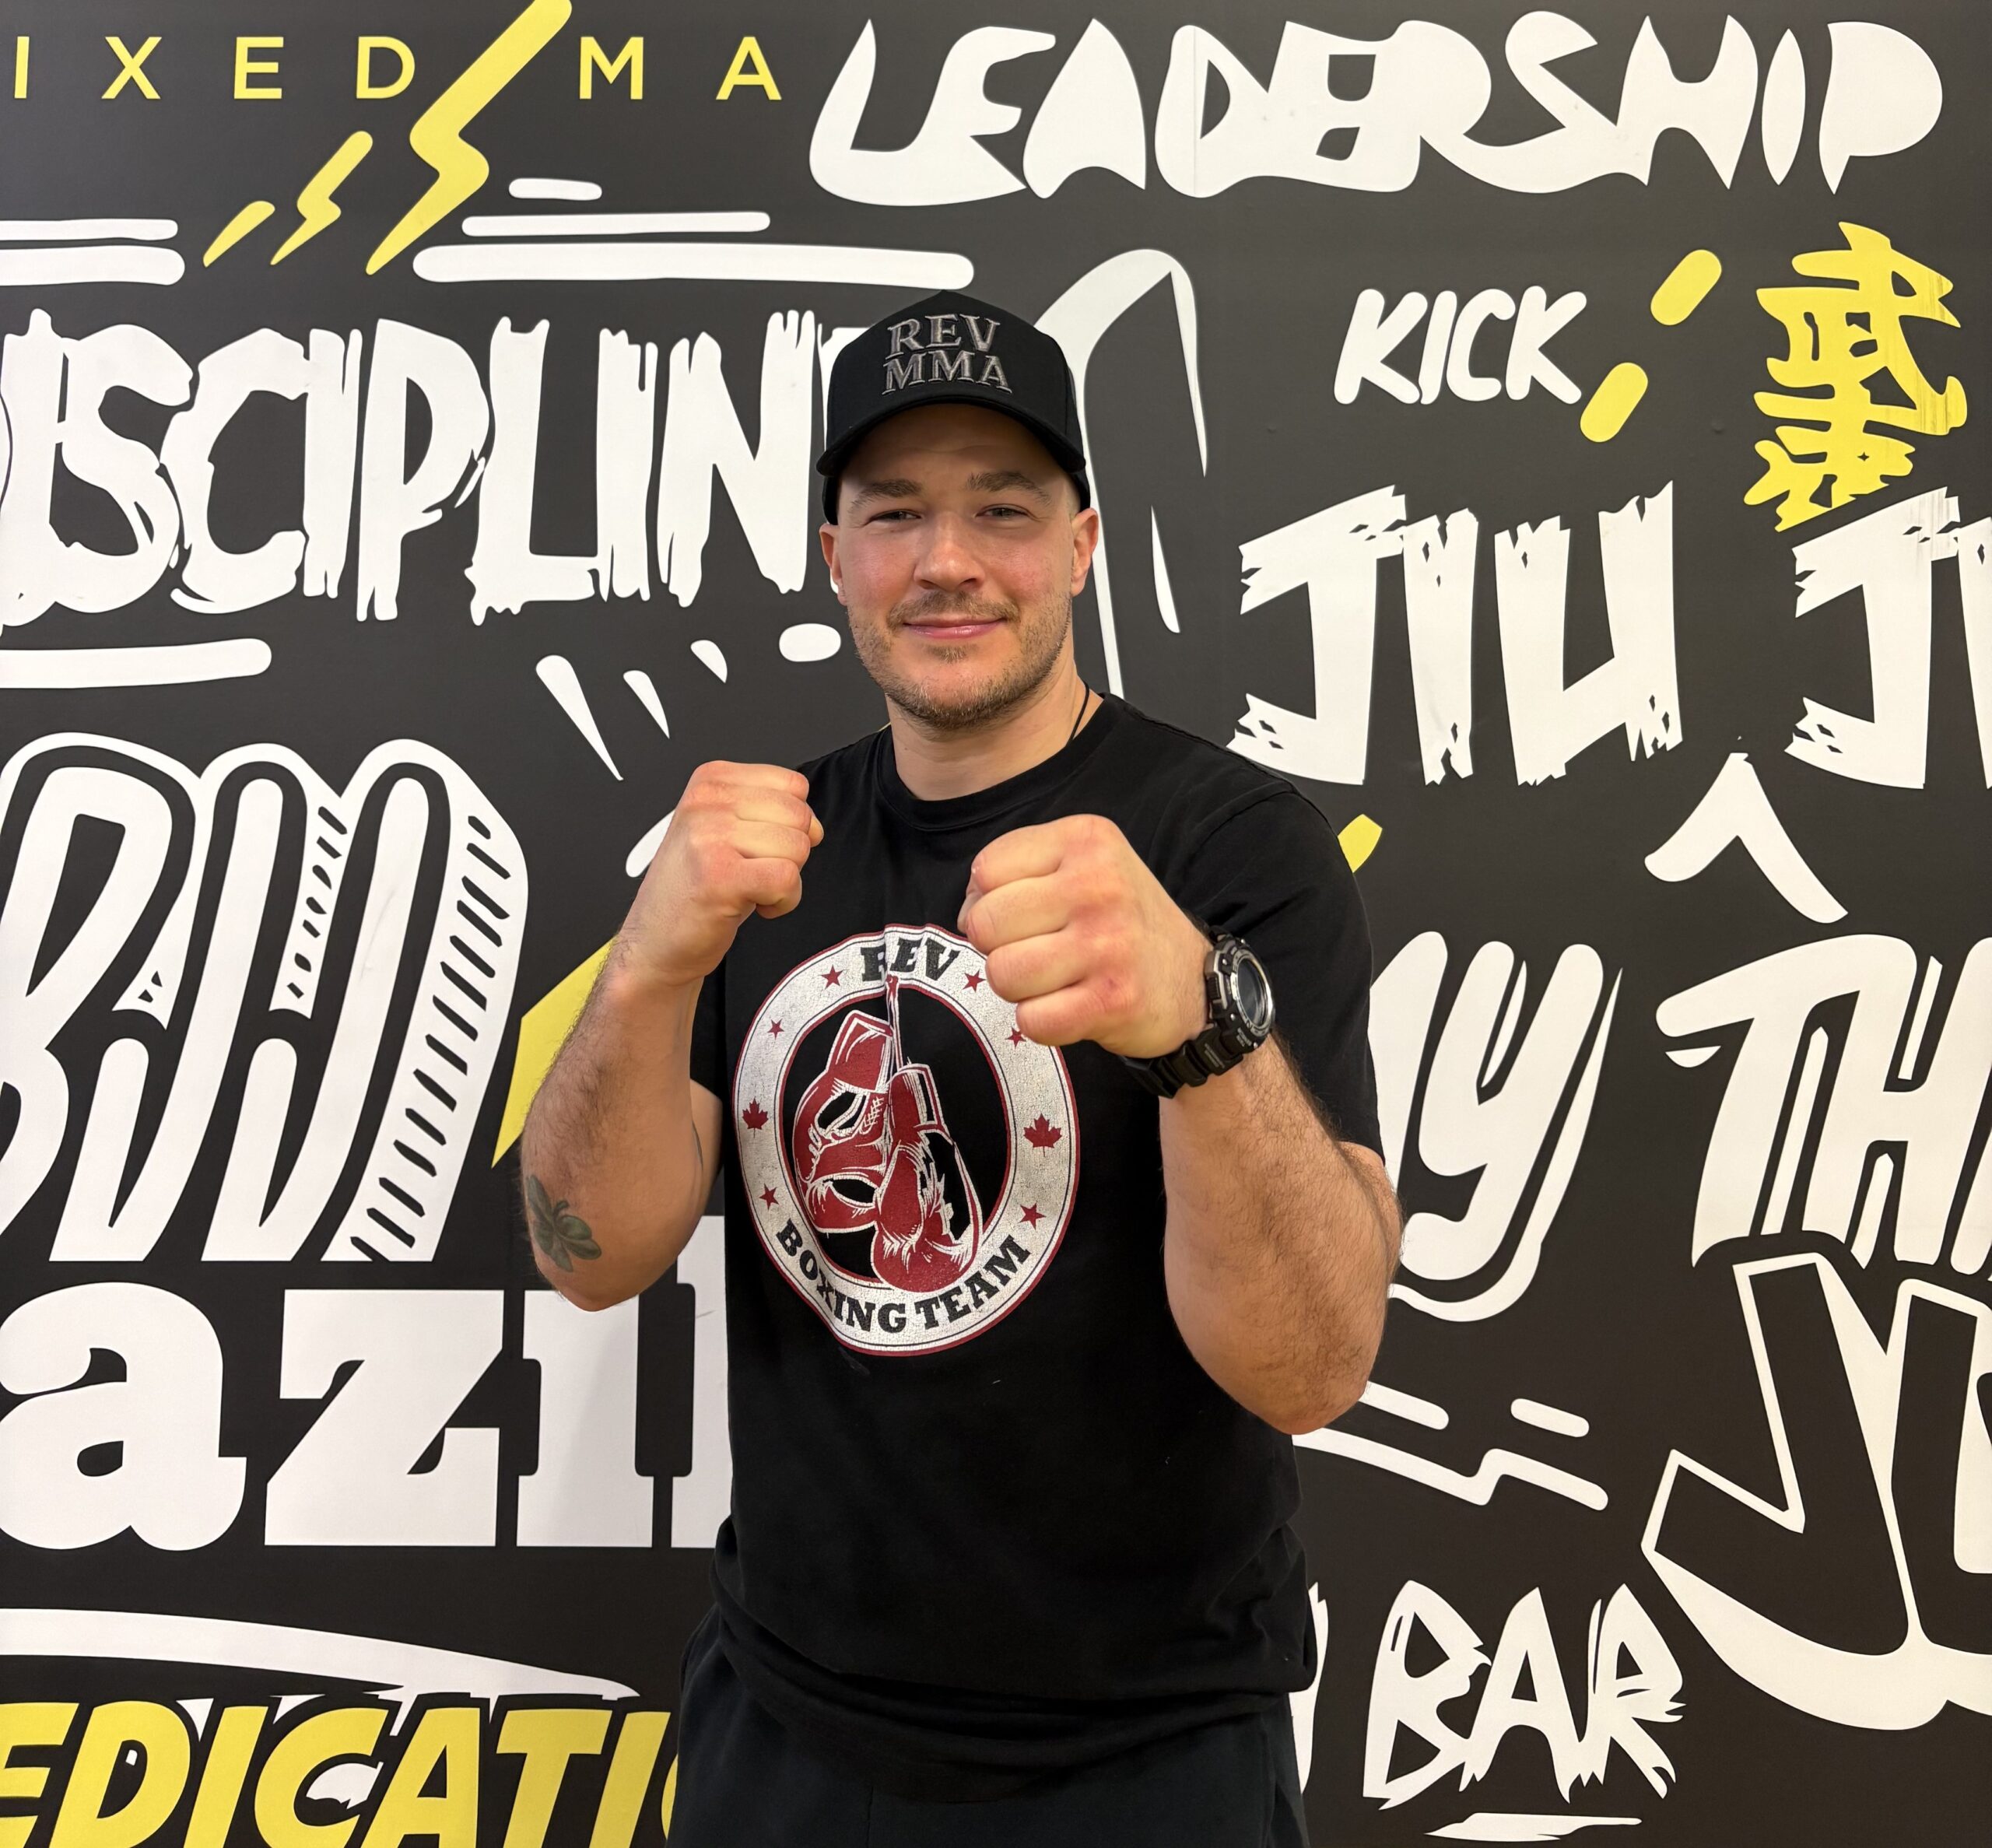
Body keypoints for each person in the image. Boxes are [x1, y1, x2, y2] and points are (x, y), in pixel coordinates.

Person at [520, 291, 1401, 1846]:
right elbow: (585, 1256)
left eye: (1001, 509)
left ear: (1080, 545)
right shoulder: (761, 852)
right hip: (785, 1726)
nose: (945, 560)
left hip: (1148, 1754)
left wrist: (1199, 1027)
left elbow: (1307, 1369)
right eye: (894, 514)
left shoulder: (1229, 845)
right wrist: (648, 971)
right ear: (835, 561)